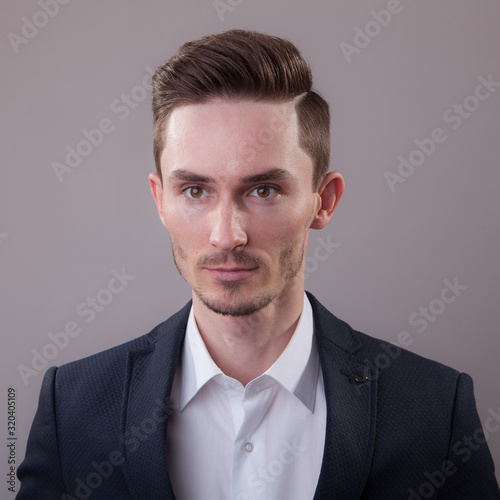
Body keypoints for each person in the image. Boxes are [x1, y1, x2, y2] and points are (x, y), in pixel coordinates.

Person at [17, 29, 499, 500]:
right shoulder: (73, 406)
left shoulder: (435, 410)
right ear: (160, 200)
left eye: (263, 190)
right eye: (195, 190)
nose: (227, 235)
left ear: (323, 201)